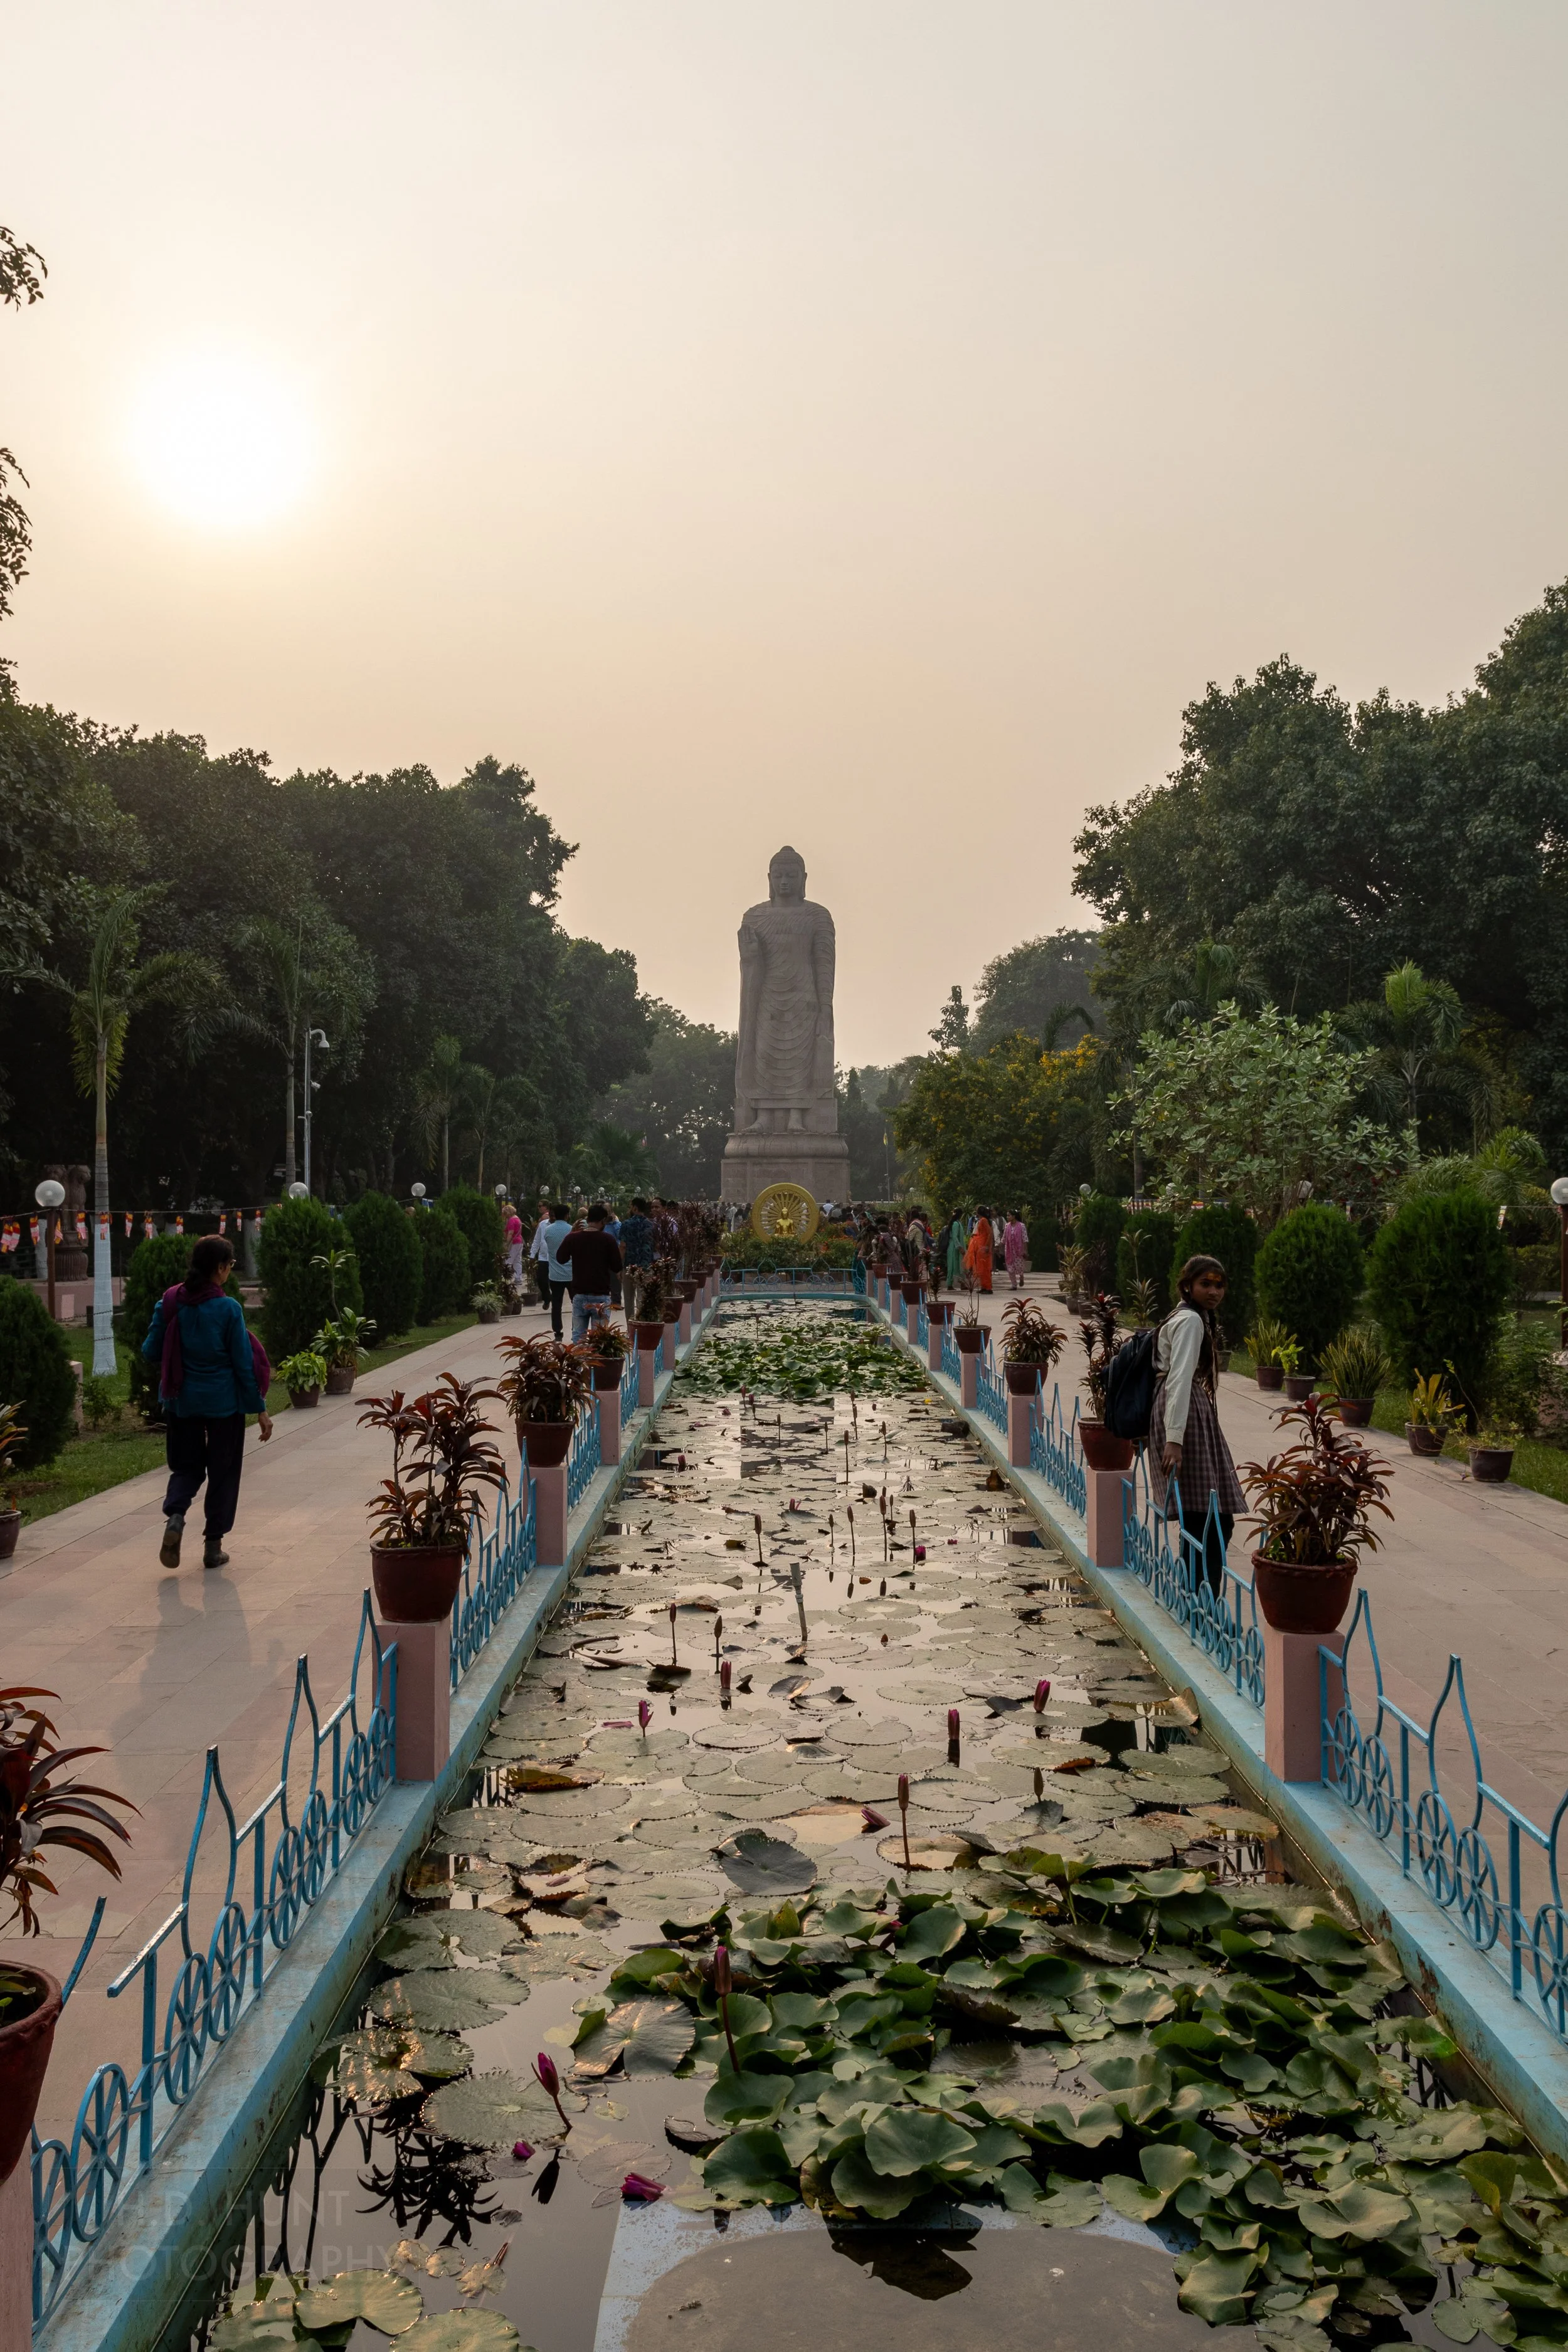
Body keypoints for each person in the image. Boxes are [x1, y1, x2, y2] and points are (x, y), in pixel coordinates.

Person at [142, 1232, 273, 1571]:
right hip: (223, 1405)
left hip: (181, 1401)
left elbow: (150, 1350)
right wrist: (259, 1407)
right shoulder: (228, 1309)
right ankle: (213, 1548)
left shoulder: (170, 1302)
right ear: (219, 1268)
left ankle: (175, 1516)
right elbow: (243, 1364)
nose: (230, 1270)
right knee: (224, 1473)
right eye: (230, 1265)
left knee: (186, 1467)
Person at [1150, 1254, 1245, 1596]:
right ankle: (1201, 1601)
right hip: (1184, 1417)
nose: (1214, 1291)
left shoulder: (1188, 1316)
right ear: (1188, 1285)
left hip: (1187, 1413)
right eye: (1206, 1283)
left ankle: (1197, 1597)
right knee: (1210, 1518)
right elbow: (1178, 1378)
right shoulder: (1190, 1321)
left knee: (1204, 1516)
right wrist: (1174, 1439)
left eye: (1219, 1285)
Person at [556, 1202, 624, 1343]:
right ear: (603, 1221)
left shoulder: (573, 1238)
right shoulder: (608, 1240)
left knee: (578, 1339)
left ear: (588, 1220)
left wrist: (571, 1233)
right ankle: (596, 1365)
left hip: (580, 1295)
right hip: (601, 1297)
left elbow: (561, 1258)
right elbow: (617, 1266)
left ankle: (580, 1364)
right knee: (599, 1341)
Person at [540, 1201, 575, 1338]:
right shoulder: (572, 1230)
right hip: (571, 1273)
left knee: (557, 1305)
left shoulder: (548, 1230)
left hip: (554, 1274)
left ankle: (558, 1332)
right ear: (567, 1215)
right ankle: (575, 1329)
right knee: (576, 1304)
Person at [619, 1194, 655, 1320]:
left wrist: (619, 1267)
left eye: (630, 1206)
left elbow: (623, 1246)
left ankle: (631, 1329)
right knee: (642, 1298)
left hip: (629, 1266)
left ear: (635, 1208)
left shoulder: (626, 1224)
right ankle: (642, 1325)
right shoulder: (650, 1225)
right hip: (646, 1266)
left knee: (628, 1299)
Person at [965, 1205, 995, 1294]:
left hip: (983, 1247)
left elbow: (990, 1233)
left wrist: (987, 1246)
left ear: (978, 1212)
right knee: (981, 1268)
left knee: (985, 1268)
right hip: (980, 1247)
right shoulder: (982, 1221)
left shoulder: (984, 1221)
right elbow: (983, 1233)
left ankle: (988, 1288)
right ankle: (984, 1287)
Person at [1003, 1211, 1029, 1290]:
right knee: (1010, 1268)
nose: (1007, 1217)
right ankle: (1014, 1285)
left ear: (1014, 1216)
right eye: (1007, 1216)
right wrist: (998, 1246)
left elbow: (1025, 1239)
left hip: (1019, 1251)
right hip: (1009, 1251)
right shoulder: (1007, 1226)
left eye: (1009, 1216)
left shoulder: (1022, 1226)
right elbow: (1004, 1237)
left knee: (1020, 1267)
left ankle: (1021, 1277)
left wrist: (1025, 1251)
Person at [504, 1202, 525, 1290]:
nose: (504, 1215)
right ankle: (518, 1278)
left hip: (514, 1242)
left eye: (505, 1213)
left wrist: (507, 1243)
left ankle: (506, 1278)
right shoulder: (518, 1219)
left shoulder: (512, 1220)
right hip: (520, 1241)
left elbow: (511, 1232)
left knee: (509, 1260)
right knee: (517, 1260)